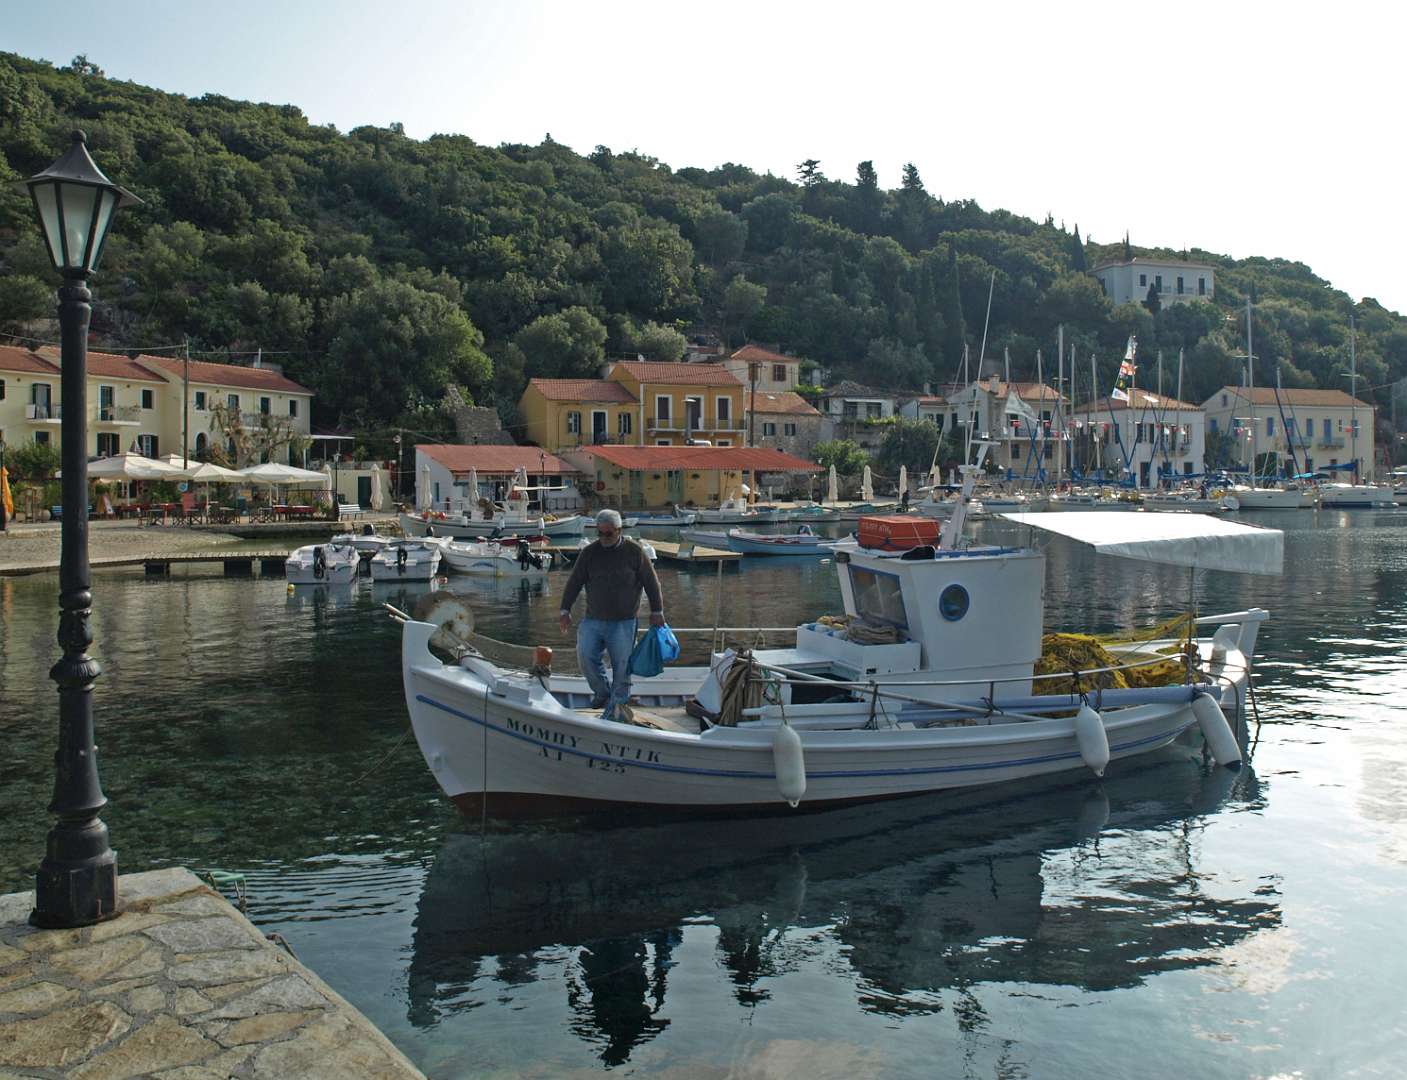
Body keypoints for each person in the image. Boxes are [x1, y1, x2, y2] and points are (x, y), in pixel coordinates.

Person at [559, 509, 664, 718]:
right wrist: (565, 609)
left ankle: (618, 705)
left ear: (619, 530)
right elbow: (574, 581)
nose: (604, 537)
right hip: (593, 618)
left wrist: (657, 610)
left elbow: (651, 583)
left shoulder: (635, 552)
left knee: (622, 666)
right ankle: (602, 693)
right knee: (585, 657)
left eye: (609, 533)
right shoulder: (589, 553)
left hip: (624, 622)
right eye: (600, 533)